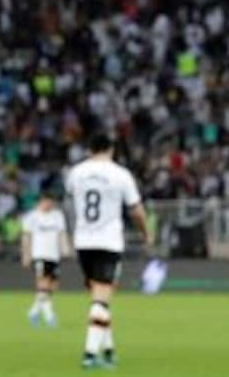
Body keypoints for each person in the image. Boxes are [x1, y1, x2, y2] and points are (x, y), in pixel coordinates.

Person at [66, 133, 153, 370]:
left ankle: (109, 350)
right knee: (101, 299)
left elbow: (72, 199)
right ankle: (90, 354)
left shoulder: (76, 172)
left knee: (99, 298)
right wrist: (146, 233)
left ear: (89, 149)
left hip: (83, 240)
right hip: (108, 241)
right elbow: (135, 210)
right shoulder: (120, 174)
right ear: (111, 149)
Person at [20, 190, 69, 327]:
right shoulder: (31, 217)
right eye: (48, 201)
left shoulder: (57, 215)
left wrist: (65, 248)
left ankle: (34, 311)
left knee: (52, 286)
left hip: (54, 255)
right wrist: (26, 254)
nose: (50, 205)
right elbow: (26, 236)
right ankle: (49, 316)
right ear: (42, 201)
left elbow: (62, 233)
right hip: (39, 254)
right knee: (43, 284)